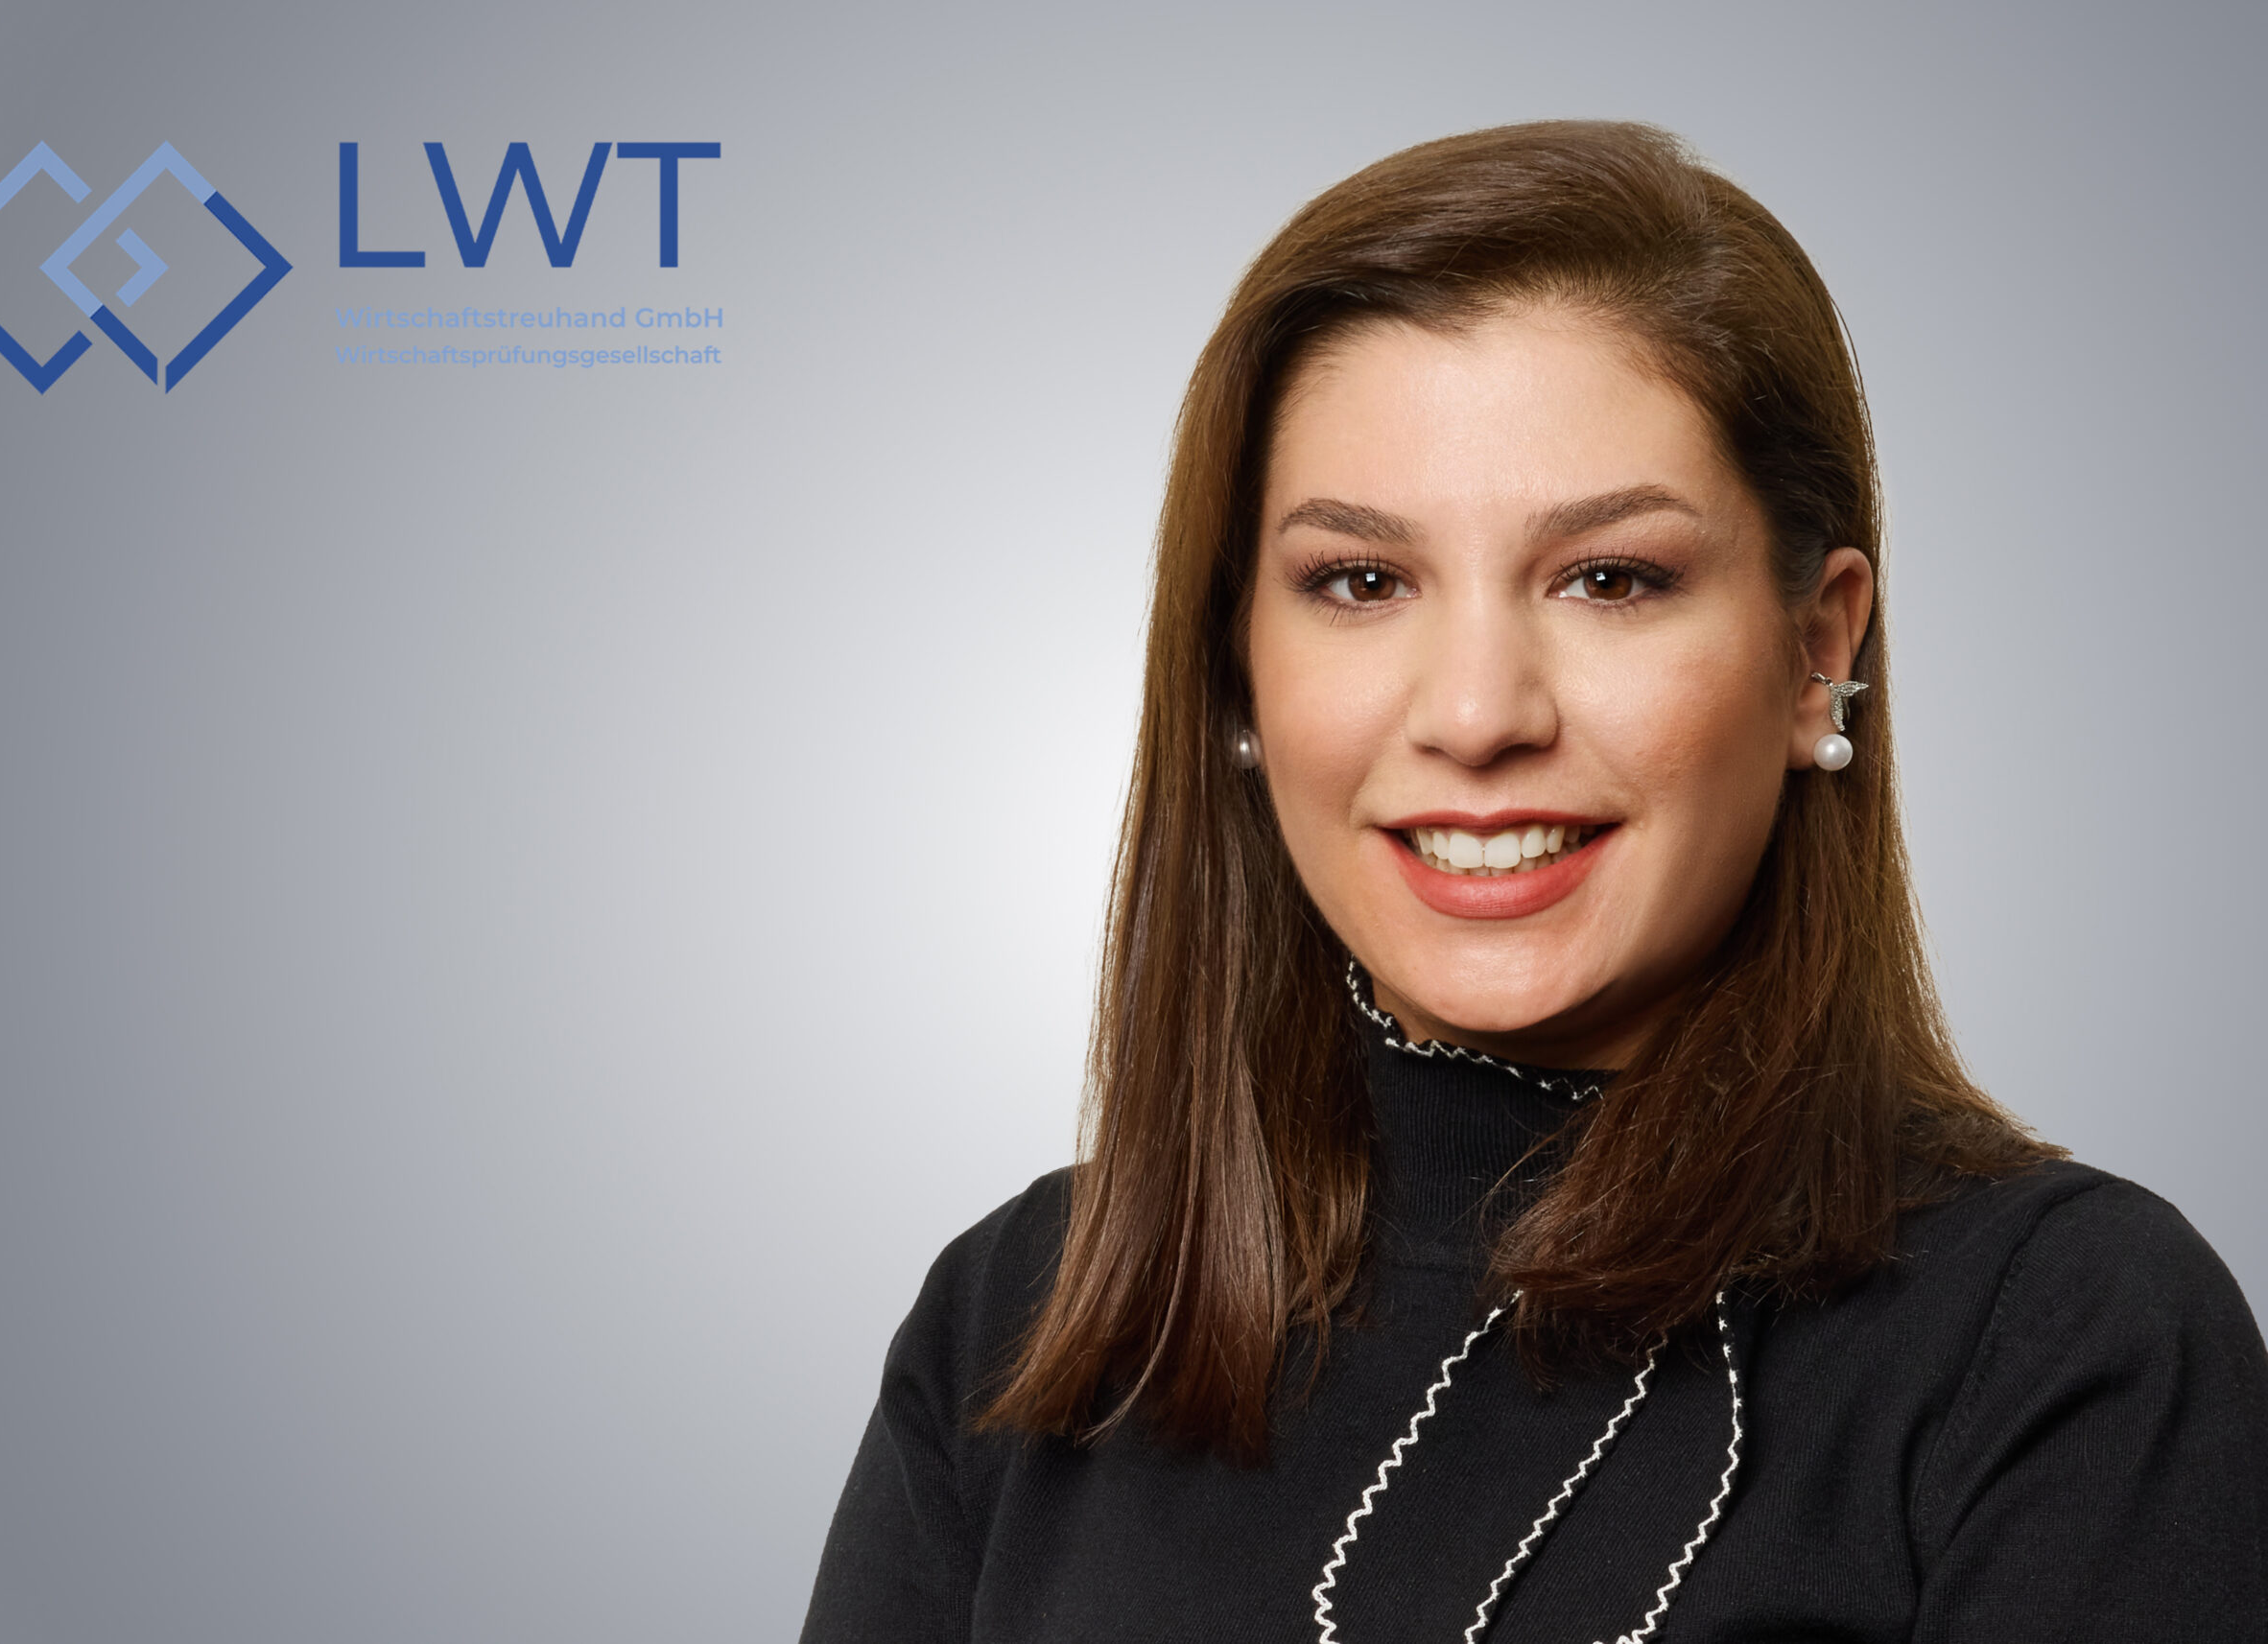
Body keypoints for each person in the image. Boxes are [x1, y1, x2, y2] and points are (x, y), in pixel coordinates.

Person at [798, 121, 2268, 1643]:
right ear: (1238, 670)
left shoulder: (2067, 1342)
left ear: (1816, 652)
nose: (1477, 712)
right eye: (1362, 581)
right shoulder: (1012, 1322)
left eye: (1609, 578)